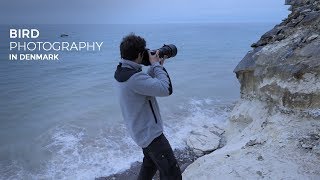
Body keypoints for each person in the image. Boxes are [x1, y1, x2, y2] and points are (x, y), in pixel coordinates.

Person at [114, 33, 182, 180]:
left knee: (149, 165)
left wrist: (156, 67)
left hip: (140, 132)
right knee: (172, 174)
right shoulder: (134, 78)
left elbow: (144, 84)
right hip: (152, 135)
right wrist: (156, 65)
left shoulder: (122, 71)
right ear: (139, 54)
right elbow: (166, 89)